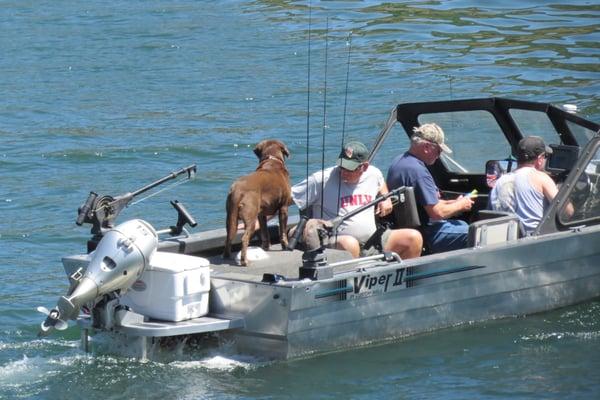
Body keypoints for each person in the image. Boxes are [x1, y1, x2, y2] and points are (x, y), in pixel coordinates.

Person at [291, 141, 422, 259]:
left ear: (364, 167)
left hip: (373, 240)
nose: (343, 172)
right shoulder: (321, 179)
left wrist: (386, 199)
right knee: (351, 244)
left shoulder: (373, 174)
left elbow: (382, 185)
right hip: (334, 241)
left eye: (349, 168)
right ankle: (354, 284)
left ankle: (401, 281)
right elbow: (288, 198)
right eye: (341, 166)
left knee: (413, 238)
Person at [386, 123, 473, 253]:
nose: (439, 155)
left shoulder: (399, 162)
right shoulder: (418, 172)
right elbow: (437, 213)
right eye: (439, 151)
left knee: (462, 225)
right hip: (426, 233)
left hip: (406, 227)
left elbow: (423, 201)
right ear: (427, 147)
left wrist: (453, 202)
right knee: (475, 233)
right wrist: (461, 205)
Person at [490, 136, 573, 235]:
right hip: (536, 239)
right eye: (546, 156)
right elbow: (567, 211)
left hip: (506, 239)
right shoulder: (541, 178)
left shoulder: (499, 182)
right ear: (540, 159)